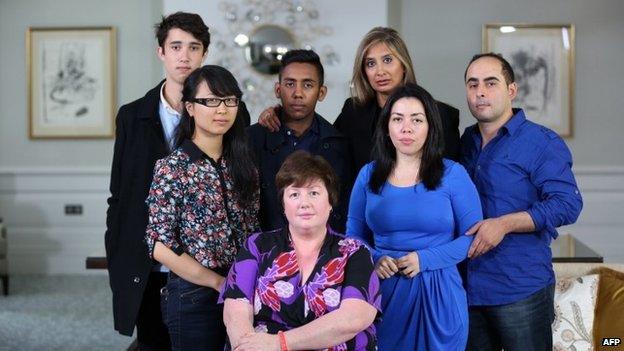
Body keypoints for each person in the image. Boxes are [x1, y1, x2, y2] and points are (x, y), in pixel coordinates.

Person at [461, 53, 583, 351]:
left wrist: (504, 224)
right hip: (467, 290)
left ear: (511, 90)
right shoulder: (463, 142)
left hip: (520, 288)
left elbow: (568, 204)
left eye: (491, 83)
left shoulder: (540, 141)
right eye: (472, 84)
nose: (480, 92)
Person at [347, 83, 483, 350]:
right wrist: (374, 258)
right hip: (383, 294)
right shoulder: (368, 175)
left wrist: (425, 259)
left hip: (440, 294)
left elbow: (474, 237)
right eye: (397, 119)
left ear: (430, 126)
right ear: (387, 126)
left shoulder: (453, 174)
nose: (406, 128)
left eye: (416, 120)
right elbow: (352, 235)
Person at [105, 12, 211, 350]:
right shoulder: (132, 116)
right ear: (160, 52)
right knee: (152, 343)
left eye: (193, 47)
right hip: (145, 260)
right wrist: (118, 252)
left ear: (204, 54)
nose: (184, 56)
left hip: (202, 261)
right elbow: (119, 193)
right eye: (176, 46)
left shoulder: (224, 111)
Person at [144, 65, 259, 351]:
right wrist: (217, 282)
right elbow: (159, 245)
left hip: (244, 288)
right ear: (190, 108)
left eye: (230, 100)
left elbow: (254, 228)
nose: (222, 109)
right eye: (211, 101)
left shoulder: (244, 165)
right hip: (194, 294)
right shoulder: (173, 167)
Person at [221, 150, 380, 351]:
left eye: (314, 193)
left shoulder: (355, 252)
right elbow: (236, 312)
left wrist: (280, 343)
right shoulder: (257, 246)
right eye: (294, 194)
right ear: (283, 204)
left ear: (330, 201)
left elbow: (354, 318)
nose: (304, 203)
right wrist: (246, 347)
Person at [258, 27, 460, 173]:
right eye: (370, 63)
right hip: (363, 219)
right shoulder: (353, 112)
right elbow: (322, 141)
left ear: (404, 65)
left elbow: (451, 180)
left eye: (388, 60)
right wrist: (280, 112)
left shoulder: (441, 116)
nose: (380, 71)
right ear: (364, 71)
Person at [247, 49, 352, 233]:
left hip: (324, 252)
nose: (298, 93)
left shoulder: (339, 144)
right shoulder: (252, 139)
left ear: (321, 92)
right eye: (290, 84)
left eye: (308, 85)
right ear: (278, 90)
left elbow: (343, 209)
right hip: (266, 251)